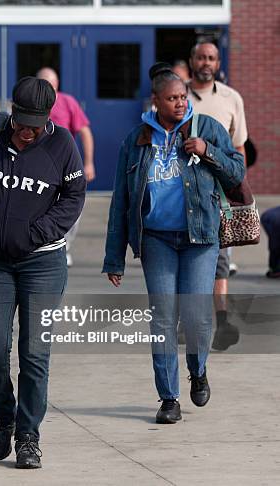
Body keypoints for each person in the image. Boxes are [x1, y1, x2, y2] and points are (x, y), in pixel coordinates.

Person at [103, 63, 245, 424]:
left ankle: (198, 371)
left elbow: (237, 171)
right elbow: (122, 200)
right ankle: (168, 399)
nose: (181, 103)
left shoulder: (207, 128)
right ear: (156, 101)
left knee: (196, 316)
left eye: (183, 97)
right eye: (172, 98)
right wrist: (114, 257)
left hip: (200, 238)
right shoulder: (137, 139)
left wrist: (208, 151)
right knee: (163, 318)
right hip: (157, 241)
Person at [0, 76, 86, 468]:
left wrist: (36, 234)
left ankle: (29, 436)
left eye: (35, 124)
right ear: (12, 112)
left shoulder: (62, 144)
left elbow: (73, 197)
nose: (27, 132)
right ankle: (4, 419)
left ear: (47, 118)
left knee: (35, 353)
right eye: (22, 122)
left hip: (42, 262)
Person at [188, 41, 249, 350]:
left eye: (211, 57)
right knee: (188, 259)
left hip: (219, 195)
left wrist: (240, 188)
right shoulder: (177, 95)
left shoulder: (231, 98)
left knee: (220, 261)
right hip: (183, 196)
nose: (206, 62)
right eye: (201, 57)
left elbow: (238, 150)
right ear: (192, 60)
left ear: (218, 61)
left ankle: (222, 323)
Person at [36, 67, 94, 267]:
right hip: (37, 166)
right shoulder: (32, 103)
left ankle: (64, 247)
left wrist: (88, 162)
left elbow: (85, 132)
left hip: (65, 165)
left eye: (51, 84)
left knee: (71, 206)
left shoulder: (68, 102)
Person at [261, 206, 280, 279]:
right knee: (276, 244)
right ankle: (275, 268)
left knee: (275, 243)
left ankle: (275, 268)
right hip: (270, 219)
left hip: (271, 217)